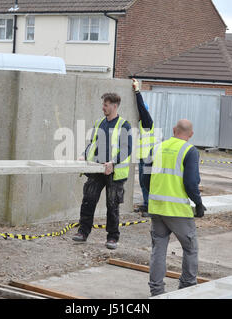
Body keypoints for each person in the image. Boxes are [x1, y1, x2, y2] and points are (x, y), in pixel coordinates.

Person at [143, 119, 206, 296]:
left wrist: (156, 194)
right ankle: (186, 288)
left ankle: (156, 291)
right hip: (178, 211)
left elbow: (144, 179)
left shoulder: (155, 148)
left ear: (173, 130)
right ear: (191, 135)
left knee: (158, 249)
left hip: (156, 208)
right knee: (190, 248)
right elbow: (191, 182)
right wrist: (199, 203)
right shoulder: (189, 150)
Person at [73, 93, 132, 250]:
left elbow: (127, 149)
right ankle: (83, 232)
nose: (103, 107)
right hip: (96, 169)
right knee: (88, 201)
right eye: (103, 104)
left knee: (112, 205)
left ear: (114, 106)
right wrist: (83, 155)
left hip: (114, 172)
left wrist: (113, 162)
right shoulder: (99, 123)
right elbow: (92, 144)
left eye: (106, 105)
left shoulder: (123, 125)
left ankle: (112, 237)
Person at [132, 78, 155, 217]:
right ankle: (146, 204)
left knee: (147, 182)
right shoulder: (140, 124)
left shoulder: (147, 121)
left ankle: (151, 208)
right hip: (142, 157)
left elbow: (141, 106)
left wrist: (137, 91)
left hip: (148, 157)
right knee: (142, 181)